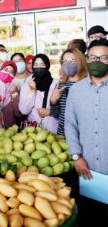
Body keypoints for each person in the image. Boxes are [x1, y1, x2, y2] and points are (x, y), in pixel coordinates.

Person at [65, 38, 108, 226]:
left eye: (104, 57)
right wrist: (76, 157)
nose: (97, 61)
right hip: (87, 171)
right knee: (91, 217)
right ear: (87, 60)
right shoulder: (76, 91)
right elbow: (70, 125)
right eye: (93, 57)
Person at [50, 48, 87, 136]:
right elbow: (57, 115)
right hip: (62, 136)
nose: (67, 64)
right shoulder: (60, 86)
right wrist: (53, 101)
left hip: (82, 137)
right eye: (64, 61)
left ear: (80, 62)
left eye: (72, 61)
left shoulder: (87, 85)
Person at [19, 54, 58, 133]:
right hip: (33, 131)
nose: (39, 67)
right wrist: (32, 91)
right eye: (36, 65)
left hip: (53, 131)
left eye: (42, 64)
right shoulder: (26, 86)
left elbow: (65, 110)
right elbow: (24, 111)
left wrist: (50, 112)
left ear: (47, 66)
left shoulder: (56, 84)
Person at [0, 61, 23, 129]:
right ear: (0, 70)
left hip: (9, 130)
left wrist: (14, 94)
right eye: (6, 70)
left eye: (12, 72)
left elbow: (18, 114)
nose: (8, 73)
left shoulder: (14, 88)